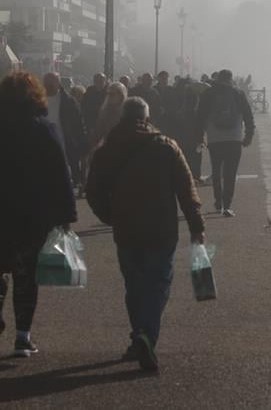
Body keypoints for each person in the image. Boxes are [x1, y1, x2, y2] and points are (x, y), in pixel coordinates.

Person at [0, 72, 77, 358]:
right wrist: (66, 214)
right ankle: (23, 336)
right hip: (32, 214)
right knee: (27, 274)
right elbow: (61, 174)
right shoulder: (44, 128)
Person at [86, 97, 205, 373]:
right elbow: (186, 190)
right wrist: (196, 226)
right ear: (147, 118)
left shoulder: (108, 148)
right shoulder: (166, 146)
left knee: (135, 284)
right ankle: (147, 334)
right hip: (161, 229)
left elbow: (93, 192)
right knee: (159, 282)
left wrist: (110, 216)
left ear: (122, 117)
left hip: (126, 229)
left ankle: (138, 332)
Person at [197, 69, 255, 217]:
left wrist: (199, 136)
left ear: (218, 79)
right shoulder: (238, 93)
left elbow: (199, 116)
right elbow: (248, 115)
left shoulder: (208, 94)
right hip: (234, 138)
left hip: (214, 138)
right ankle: (227, 206)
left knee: (216, 172)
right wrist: (249, 135)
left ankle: (218, 204)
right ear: (230, 79)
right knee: (230, 173)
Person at [43, 72, 88, 193]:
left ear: (58, 83)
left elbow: (78, 124)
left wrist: (82, 142)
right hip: (42, 142)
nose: (49, 86)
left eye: (52, 83)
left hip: (63, 142)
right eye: (47, 83)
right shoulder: (36, 100)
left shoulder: (68, 102)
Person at [89, 82, 127, 151]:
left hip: (123, 148)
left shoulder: (127, 111)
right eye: (108, 93)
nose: (109, 96)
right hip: (108, 147)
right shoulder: (105, 110)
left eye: (112, 94)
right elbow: (98, 131)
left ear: (121, 95)